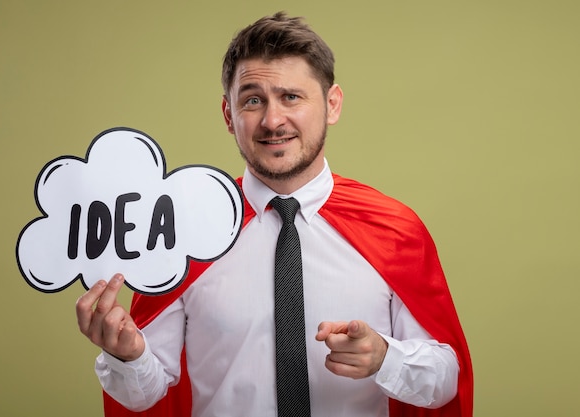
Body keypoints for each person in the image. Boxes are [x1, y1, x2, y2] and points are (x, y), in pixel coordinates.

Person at [76, 12, 473, 417]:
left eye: (291, 97)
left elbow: (444, 381)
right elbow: (146, 395)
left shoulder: (393, 231)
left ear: (332, 104)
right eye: (252, 100)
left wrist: (386, 358)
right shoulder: (184, 231)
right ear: (229, 115)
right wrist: (128, 357)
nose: (272, 120)